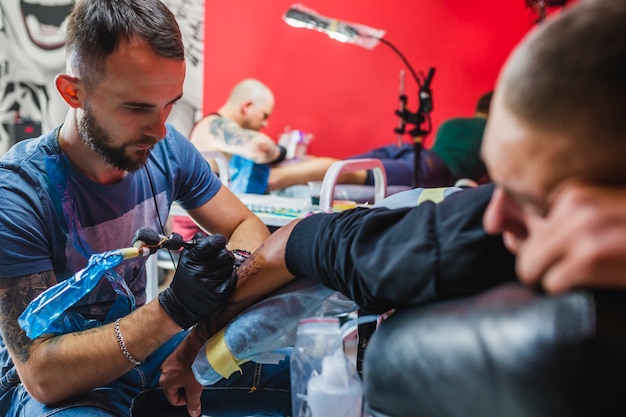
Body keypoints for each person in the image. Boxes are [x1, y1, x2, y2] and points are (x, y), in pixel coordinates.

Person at [159, 0, 626, 408]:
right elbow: (303, 244)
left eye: (529, 196)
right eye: (497, 183)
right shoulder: (461, 226)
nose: (497, 214)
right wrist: (196, 347)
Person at [0, 1, 290, 417]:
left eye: (170, 103)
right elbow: (41, 374)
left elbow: (244, 223)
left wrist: (225, 274)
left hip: (143, 353)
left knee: (297, 371)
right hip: (52, 386)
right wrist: (174, 308)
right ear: (73, 92)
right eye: (136, 108)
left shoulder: (166, 149)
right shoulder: (18, 194)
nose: (158, 129)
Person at [267, 90, 493, 191]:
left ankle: (274, 168)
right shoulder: (492, 131)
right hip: (432, 167)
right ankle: (274, 179)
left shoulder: (454, 124)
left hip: (413, 152)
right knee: (350, 173)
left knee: (344, 164)